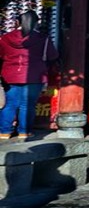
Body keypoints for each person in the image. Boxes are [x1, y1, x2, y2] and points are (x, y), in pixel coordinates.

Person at [0, 11, 58, 140]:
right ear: (36, 23)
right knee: (27, 105)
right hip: (35, 75)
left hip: (10, 75)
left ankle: (4, 132)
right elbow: (52, 56)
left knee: (10, 104)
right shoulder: (43, 39)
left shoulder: (5, 38)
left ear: (17, 22)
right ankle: (24, 132)